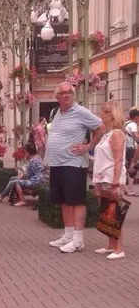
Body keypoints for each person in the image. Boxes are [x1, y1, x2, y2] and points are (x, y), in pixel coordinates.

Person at [47, 82, 104, 253]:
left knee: (76, 201)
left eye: (70, 92)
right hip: (57, 163)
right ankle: (68, 235)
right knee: (63, 201)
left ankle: (78, 241)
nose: (67, 95)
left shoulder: (80, 112)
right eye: (63, 93)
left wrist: (89, 146)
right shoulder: (56, 112)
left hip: (73, 163)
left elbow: (100, 127)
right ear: (57, 96)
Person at [92, 102, 126, 259]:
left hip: (111, 177)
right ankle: (111, 245)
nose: (102, 114)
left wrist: (115, 183)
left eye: (105, 112)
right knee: (106, 212)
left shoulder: (117, 134)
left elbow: (118, 160)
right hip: (102, 177)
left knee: (114, 212)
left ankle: (119, 248)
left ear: (113, 115)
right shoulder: (106, 133)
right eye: (102, 111)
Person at [125, 107, 139, 196]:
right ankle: (130, 190)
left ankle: (125, 189)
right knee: (132, 168)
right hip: (131, 148)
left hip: (126, 147)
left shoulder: (126, 123)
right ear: (136, 117)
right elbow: (136, 136)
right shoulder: (133, 124)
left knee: (127, 168)